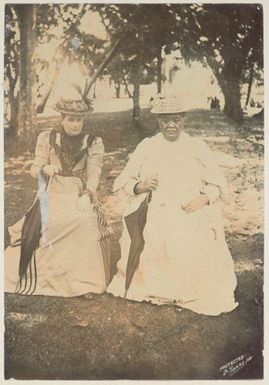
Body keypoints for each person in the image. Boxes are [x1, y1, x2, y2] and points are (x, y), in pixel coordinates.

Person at [107, 97, 238, 316]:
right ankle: (158, 287)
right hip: (156, 209)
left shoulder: (196, 147)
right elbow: (123, 181)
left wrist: (203, 199)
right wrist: (141, 185)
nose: (171, 125)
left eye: (176, 120)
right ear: (158, 121)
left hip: (189, 208)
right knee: (156, 235)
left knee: (188, 237)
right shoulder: (147, 147)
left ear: (183, 120)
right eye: (165, 120)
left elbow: (217, 183)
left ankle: (185, 288)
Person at [5, 96, 111, 297]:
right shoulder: (48, 138)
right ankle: (50, 276)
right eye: (70, 119)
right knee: (48, 225)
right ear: (62, 119)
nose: (75, 124)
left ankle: (83, 282)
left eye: (79, 120)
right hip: (52, 193)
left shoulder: (93, 142)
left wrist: (88, 193)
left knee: (86, 221)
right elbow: (34, 169)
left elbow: (94, 171)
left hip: (78, 193)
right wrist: (44, 167)